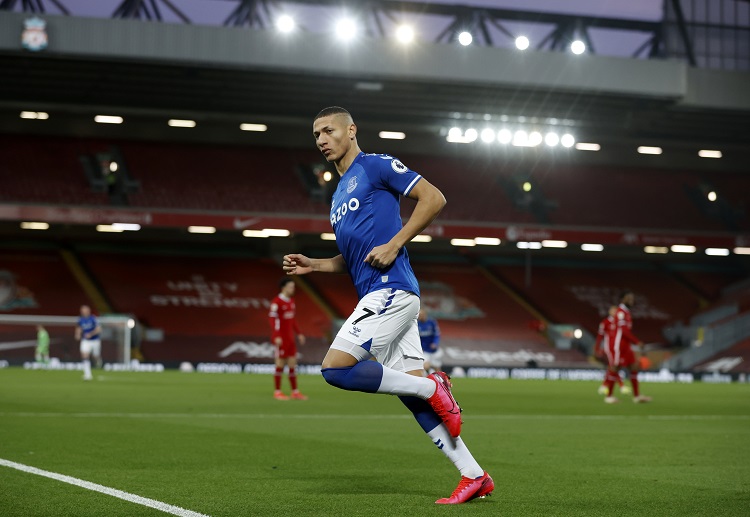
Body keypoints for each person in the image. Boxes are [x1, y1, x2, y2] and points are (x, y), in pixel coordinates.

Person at [282, 107, 493, 505]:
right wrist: (316, 264)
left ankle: (433, 386)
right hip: (380, 295)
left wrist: (396, 243)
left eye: (328, 130)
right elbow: (355, 255)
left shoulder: (376, 166)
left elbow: (434, 198)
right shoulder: (338, 196)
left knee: (334, 370)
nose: (321, 139)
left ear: (351, 130)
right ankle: (474, 474)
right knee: (411, 396)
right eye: (315, 135)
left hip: (391, 290)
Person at [603, 291, 652, 404]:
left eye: (632, 298)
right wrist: (637, 341)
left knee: (634, 367)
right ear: (622, 300)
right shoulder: (620, 312)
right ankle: (608, 396)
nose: (631, 300)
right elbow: (623, 330)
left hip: (626, 346)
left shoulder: (626, 312)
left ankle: (637, 396)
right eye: (628, 298)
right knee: (615, 368)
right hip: (618, 345)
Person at [268, 278, 307, 400]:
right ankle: (277, 392)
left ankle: (295, 392)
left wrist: (299, 333)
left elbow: (293, 320)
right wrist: (277, 336)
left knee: (292, 364)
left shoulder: (291, 301)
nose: (293, 289)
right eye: (290, 287)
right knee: (280, 363)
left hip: (290, 338)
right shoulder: (276, 302)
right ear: (283, 288)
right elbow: (272, 320)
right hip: (281, 338)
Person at [594, 306, 628, 396]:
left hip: (618, 348)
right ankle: (621, 386)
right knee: (614, 366)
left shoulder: (619, 323)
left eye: (616, 311)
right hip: (610, 348)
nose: (614, 312)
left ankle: (604, 386)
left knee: (613, 367)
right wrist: (597, 347)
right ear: (609, 312)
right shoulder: (605, 322)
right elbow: (600, 336)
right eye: (613, 311)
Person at [75, 305, 101, 381]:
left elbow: (99, 329)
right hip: (85, 341)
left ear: (88, 311)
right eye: (82, 310)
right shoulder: (80, 320)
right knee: (84, 355)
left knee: (95, 356)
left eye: (84, 310)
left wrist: (91, 334)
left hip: (95, 341)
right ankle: (87, 374)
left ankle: (98, 360)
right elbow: (79, 328)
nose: (83, 312)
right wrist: (77, 334)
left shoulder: (93, 319)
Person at [418, 308, 442, 374]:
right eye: (419, 315)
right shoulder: (417, 324)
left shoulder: (431, 322)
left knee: (437, 368)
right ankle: (428, 374)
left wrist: (435, 343)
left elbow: (437, 334)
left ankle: (439, 381)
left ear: (425, 314)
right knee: (425, 366)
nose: (420, 316)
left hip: (434, 350)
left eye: (421, 315)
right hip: (425, 350)